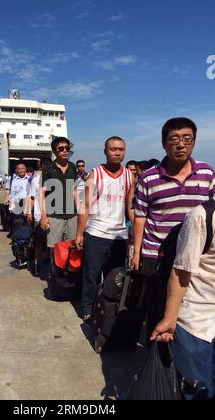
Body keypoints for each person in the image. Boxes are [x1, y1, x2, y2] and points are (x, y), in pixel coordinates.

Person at [132, 117, 215, 340]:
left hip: (192, 257)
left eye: (187, 139)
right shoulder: (149, 177)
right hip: (155, 254)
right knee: (157, 309)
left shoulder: (207, 174)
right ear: (163, 143)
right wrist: (137, 252)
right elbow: (140, 216)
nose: (181, 144)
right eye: (174, 139)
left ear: (194, 142)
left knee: (188, 311)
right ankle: (156, 365)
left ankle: (183, 364)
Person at [151, 202, 215, 399]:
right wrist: (169, 319)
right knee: (196, 392)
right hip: (196, 326)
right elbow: (181, 272)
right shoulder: (201, 217)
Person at [75, 136, 135, 323]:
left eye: (121, 149)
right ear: (105, 151)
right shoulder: (95, 174)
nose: (117, 153)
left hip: (119, 235)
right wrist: (79, 233)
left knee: (114, 278)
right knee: (91, 275)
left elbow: (130, 206)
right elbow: (85, 205)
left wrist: (134, 231)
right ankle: (87, 309)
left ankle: (108, 310)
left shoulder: (129, 175)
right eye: (113, 149)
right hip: (96, 233)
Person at [40, 137, 78, 254]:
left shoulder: (72, 167)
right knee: (55, 248)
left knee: (71, 247)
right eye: (61, 149)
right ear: (55, 151)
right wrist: (44, 216)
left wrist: (79, 211)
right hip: (54, 215)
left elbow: (74, 190)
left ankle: (68, 272)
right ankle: (55, 271)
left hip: (72, 215)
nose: (65, 151)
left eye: (67, 148)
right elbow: (42, 193)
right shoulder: (48, 168)